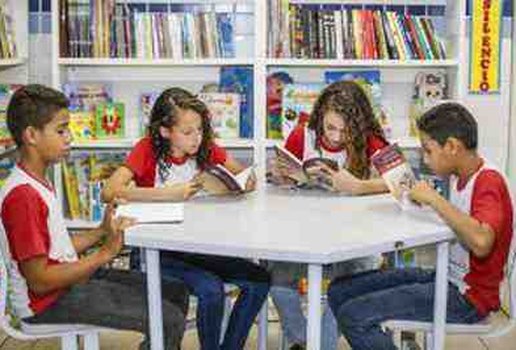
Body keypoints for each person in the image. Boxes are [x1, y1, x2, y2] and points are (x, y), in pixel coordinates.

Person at [0, 84, 189, 350]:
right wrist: (104, 254)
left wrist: (101, 231)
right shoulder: (23, 196)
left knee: (175, 291)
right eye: (61, 130)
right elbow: (40, 281)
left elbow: (57, 250)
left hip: (64, 285)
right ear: (31, 134)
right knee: (168, 319)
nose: (69, 137)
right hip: (46, 303)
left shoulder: (37, 180)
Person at [327, 102, 514, 350]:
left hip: (469, 299)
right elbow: (421, 195)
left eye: (428, 151)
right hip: (445, 277)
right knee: (339, 290)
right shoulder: (458, 174)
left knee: (354, 315)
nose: (425, 160)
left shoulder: (489, 181)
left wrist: (434, 200)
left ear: (452, 147)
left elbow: (481, 242)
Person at [102, 87, 270, 350]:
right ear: (165, 131)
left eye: (200, 130)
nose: (197, 138)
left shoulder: (204, 148)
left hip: (200, 247)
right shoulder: (147, 150)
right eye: (188, 132)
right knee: (211, 290)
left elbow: (246, 176)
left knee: (259, 279)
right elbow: (109, 191)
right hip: (157, 254)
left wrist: (243, 182)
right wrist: (168, 194)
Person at [269, 80, 389, 349]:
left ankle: (314, 345)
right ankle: (303, 340)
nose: (335, 137)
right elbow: (284, 176)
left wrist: (359, 186)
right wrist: (281, 177)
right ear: (320, 117)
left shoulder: (371, 140)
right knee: (277, 280)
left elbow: (403, 182)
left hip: (355, 240)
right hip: (305, 235)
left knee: (345, 287)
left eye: (344, 131)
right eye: (330, 127)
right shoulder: (302, 135)